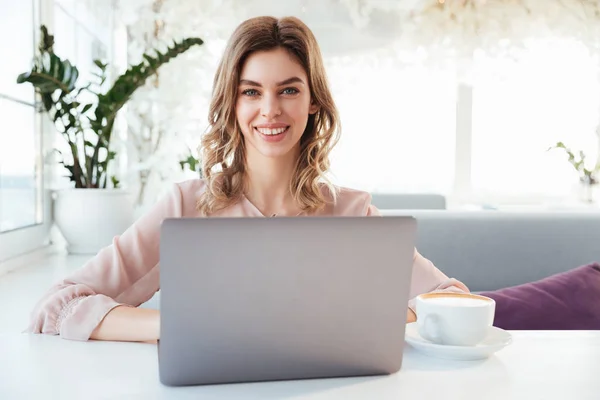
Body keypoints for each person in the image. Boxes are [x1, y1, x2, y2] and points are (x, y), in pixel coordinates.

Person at [27, 16, 469, 343]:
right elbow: (58, 306)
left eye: (289, 90)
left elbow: (450, 298)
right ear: (232, 103)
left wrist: (344, 325)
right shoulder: (186, 207)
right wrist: (188, 328)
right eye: (251, 91)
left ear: (314, 101)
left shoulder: (351, 212)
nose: (270, 110)